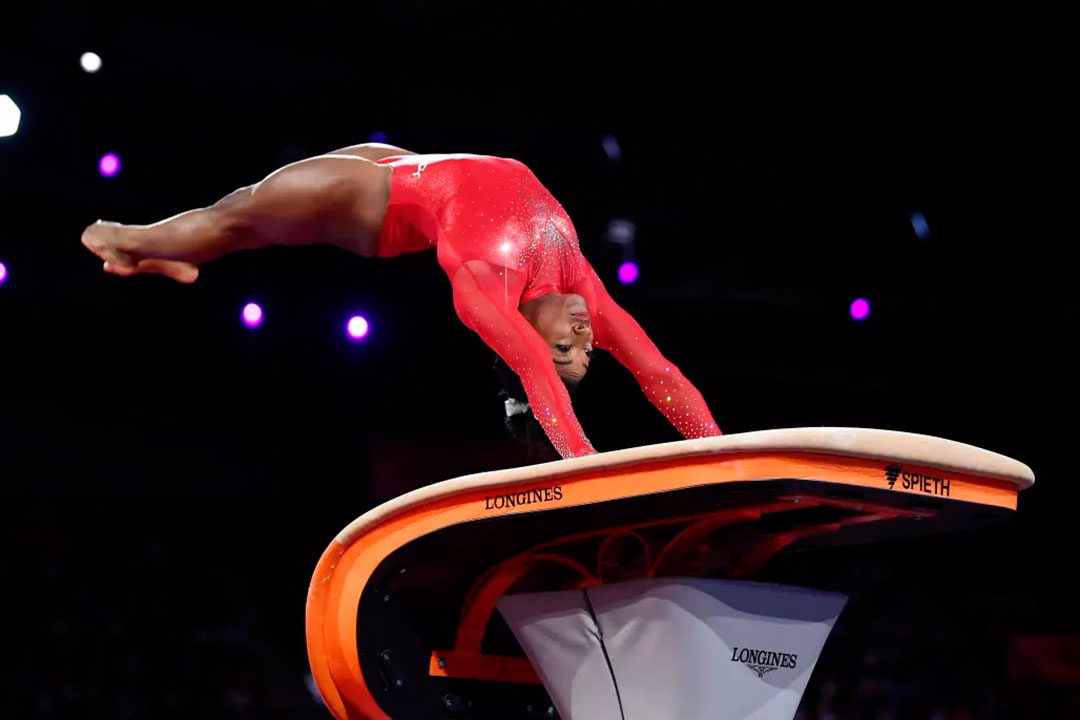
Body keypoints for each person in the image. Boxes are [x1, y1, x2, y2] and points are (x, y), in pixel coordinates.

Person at [81, 143, 720, 457]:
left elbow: (533, 373)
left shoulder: (484, 284)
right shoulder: (579, 285)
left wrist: (585, 466)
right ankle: (174, 255)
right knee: (237, 220)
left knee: (239, 215)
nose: (584, 335)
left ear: (525, 330)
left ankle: (125, 241)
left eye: (564, 347)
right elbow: (660, 373)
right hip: (413, 166)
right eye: (586, 350)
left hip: (371, 206)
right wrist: (722, 451)